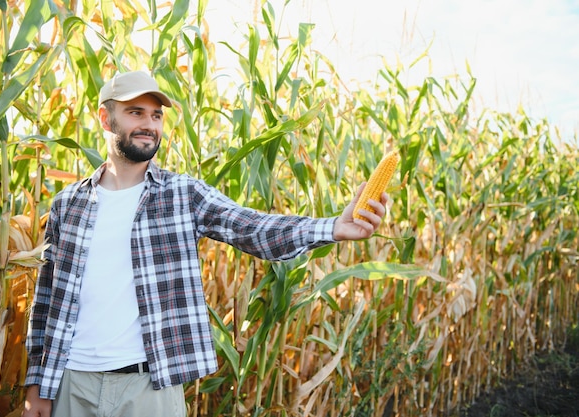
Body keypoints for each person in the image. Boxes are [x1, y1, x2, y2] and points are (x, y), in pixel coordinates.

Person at [22, 70, 388, 417]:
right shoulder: (68, 204)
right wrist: (36, 384)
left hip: (149, 386)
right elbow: (47, 299)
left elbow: (253, 228)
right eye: (136, 113)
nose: (149, 125)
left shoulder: (183, 195)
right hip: (71, 382)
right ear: (106, 119)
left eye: (156, 115)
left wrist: (332, 228)